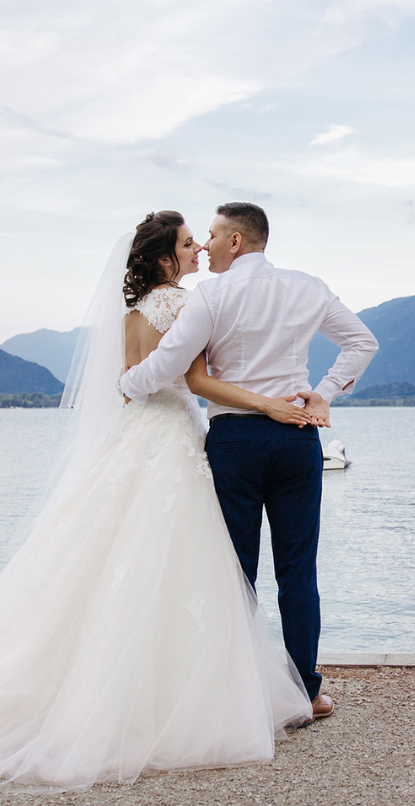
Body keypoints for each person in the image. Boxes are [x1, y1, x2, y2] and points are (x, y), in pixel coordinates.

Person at [0, 210, 314, 792]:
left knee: (112, 555)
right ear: (166, 257)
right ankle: (181, 693)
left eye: (201, 240)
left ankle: (90, 681)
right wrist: (269, 403)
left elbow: (128, 380)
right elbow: (193, 380)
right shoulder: (184, 306)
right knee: (179, 560)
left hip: (136, 434)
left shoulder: (131, 313)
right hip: (173, 436)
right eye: (189, 243)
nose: (199, 250)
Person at [120, 203, 378, 719]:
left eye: (212, 236)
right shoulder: (308, 287)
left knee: (234, 572)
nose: (207, 246)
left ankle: (234, 692)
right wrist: (323, 393)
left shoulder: (213, 293)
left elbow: (171, 363)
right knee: (298, 572)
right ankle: (306, 692)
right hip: (297, 439)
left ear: (235, 241)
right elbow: (361, 342)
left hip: (234, 442)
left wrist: (128, 384)